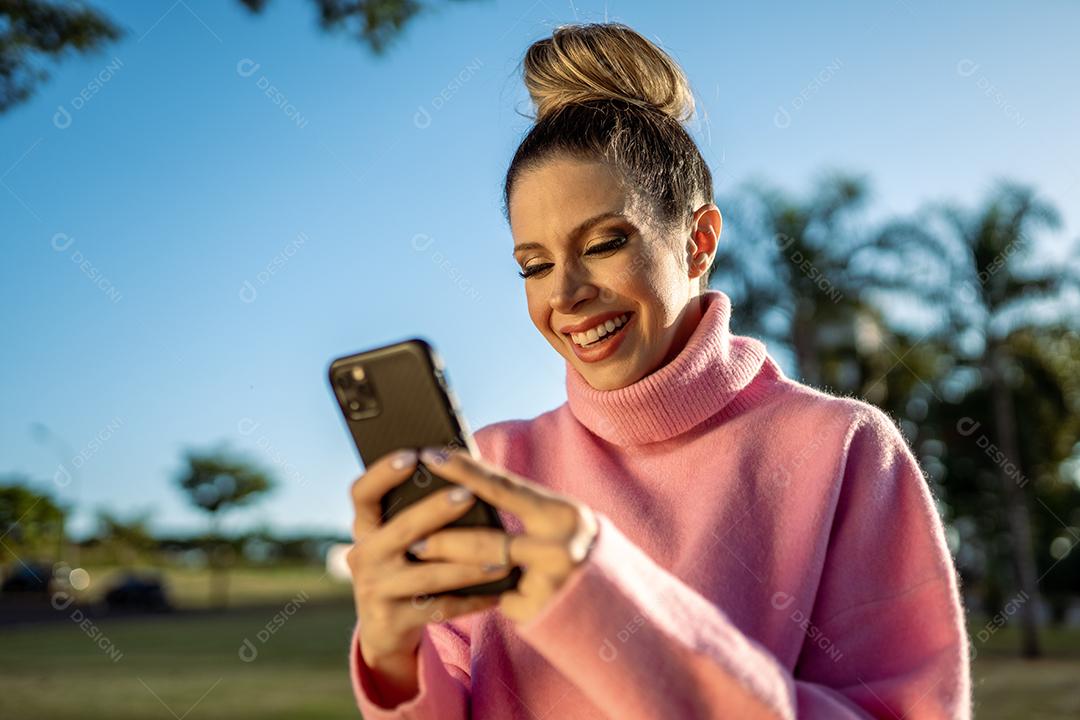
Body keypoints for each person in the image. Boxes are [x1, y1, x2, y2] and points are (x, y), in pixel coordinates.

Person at [344, 21, 972, 720]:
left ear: (699, 241)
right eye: (535, 265)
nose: (564, 294)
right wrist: (394, 658)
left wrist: (605, 607)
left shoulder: (843, 447)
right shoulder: (494, 465)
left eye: (605, 243)